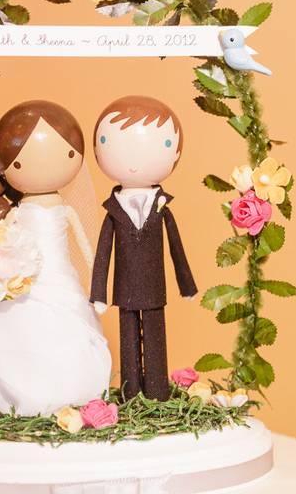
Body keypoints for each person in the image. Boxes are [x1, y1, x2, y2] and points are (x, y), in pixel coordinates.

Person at [0, 100, 112, 416]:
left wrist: (98, 289)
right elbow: (0, 242)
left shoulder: (64, 210)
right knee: (20, 330)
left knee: (68, 334)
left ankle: (74, 392)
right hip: (26, 281)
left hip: (62, 278)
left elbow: (86, 248)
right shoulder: (16, 213)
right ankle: (17, 394)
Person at [91, 95, 198, 401]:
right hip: (124, 289)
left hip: (154, 288)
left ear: (174, 152)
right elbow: (103, 254)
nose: (135, 159)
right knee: (127, 340)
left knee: (155, 337)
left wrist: (186, 285)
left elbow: (177, 249)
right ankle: (130, 393)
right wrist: (98, 292)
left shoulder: (163, 208)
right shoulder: (113, 211)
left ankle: (157, 390)